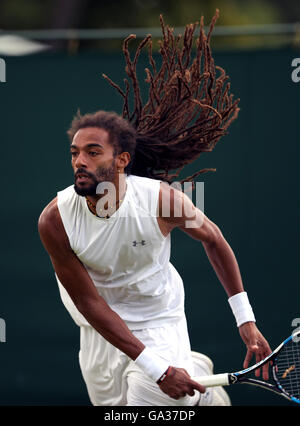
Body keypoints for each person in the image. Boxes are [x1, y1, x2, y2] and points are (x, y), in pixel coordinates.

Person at [38, 12, 271, 406]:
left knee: (159, 403)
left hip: (159, 320)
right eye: (75, 152)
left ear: (122, 159)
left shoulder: (162, 199)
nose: (80, 161)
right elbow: (90, 302)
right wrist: (159, 369)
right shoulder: (54, 220)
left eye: (93, 153)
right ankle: (205, 392)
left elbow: (213, 238)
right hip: (98, 331)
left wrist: (245, 320)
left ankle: (189, 388)